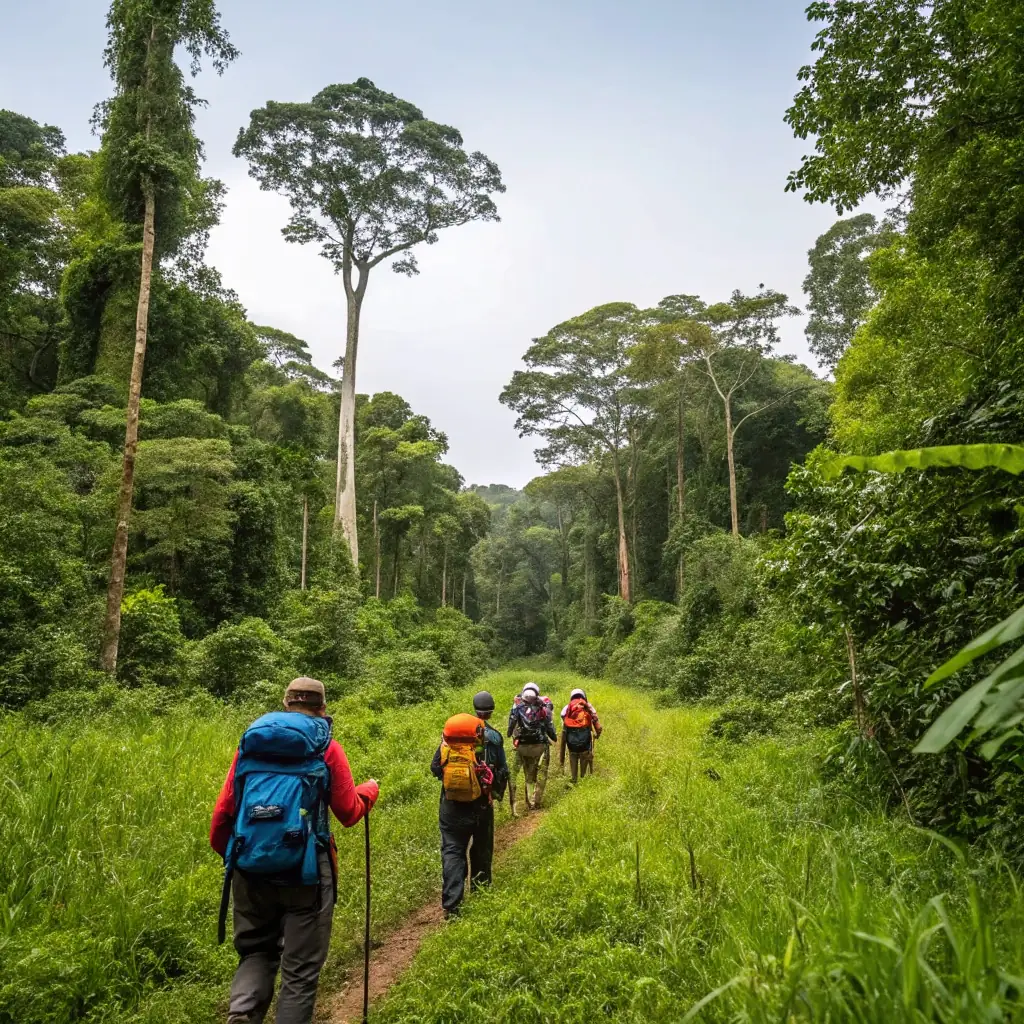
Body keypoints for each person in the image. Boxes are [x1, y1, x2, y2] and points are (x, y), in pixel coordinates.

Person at [210, 677, 379, 1024]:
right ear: (322, 708)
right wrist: (369, 791)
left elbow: (221, 818)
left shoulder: (251, 744)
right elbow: (348, 812)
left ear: (286, 703)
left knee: (256, 952)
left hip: (248, 866)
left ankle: (241, 1014)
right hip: (306, 871)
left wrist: (246, 859)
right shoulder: (326, 747)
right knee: (299, 974)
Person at [430, 691, 508, 918]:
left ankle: (452, 906)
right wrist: (495, 792)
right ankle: (481, 894)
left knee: (453, 851)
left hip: (451, 806)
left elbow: (435, 768)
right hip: (481, 805)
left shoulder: (449, 740)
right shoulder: (492, 737)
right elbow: (502, 770)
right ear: (491, 710)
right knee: (481, 848)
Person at [507, 682, 557, 815]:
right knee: (542, 772)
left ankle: (528, 800)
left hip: (522, 746)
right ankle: (536, 801)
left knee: (528, 772)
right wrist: (554, 738)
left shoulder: (517, 707)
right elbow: (550, 728)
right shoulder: (543, 707)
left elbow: (511, 728)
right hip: (540, 746)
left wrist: (513, 736)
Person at [560, 687, 602, 783]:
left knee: (573, 758)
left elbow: (563, 719)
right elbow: (598, 727)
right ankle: (583, 780)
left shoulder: (567, 707)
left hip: (572, 744)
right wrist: (597, 735)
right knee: (585, 765)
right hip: (585, 743)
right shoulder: (588, 706)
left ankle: (573, 780)